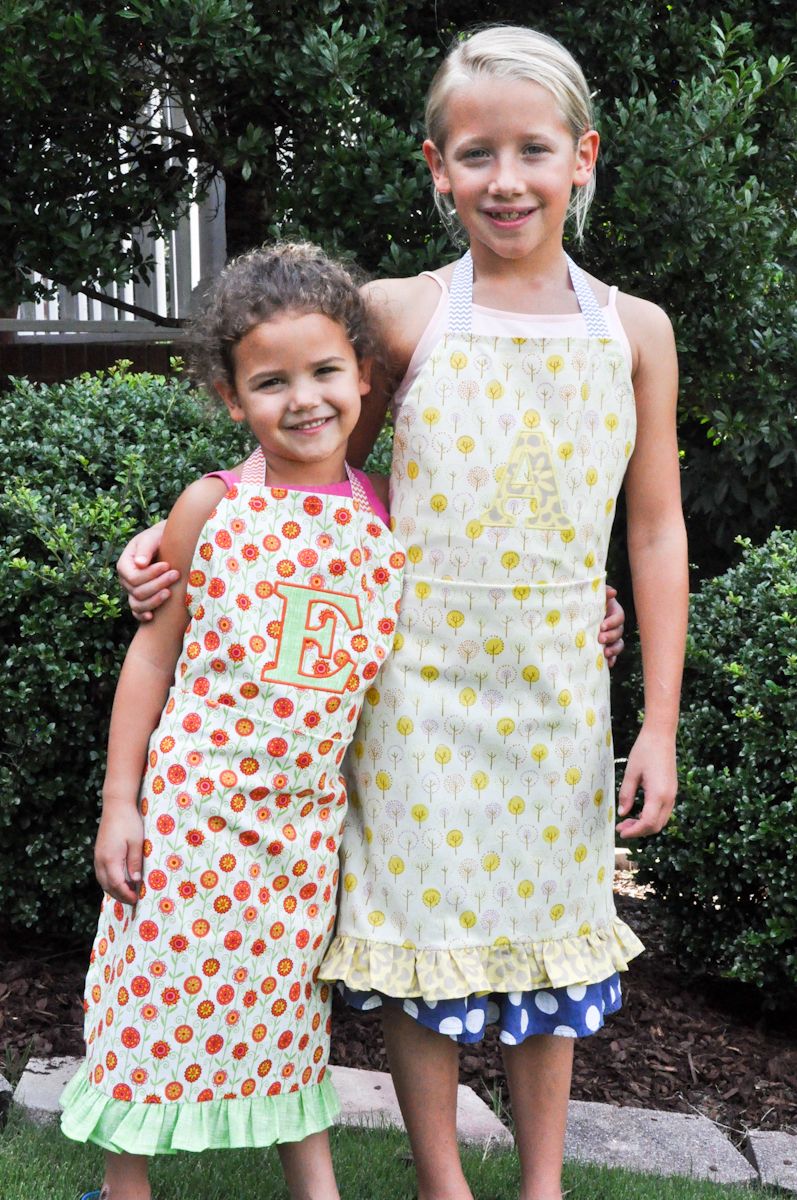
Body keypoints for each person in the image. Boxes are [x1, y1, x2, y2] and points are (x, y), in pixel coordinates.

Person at [116, 25, 687, 1200]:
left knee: (548, 945)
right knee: (417, 946)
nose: (505, 179)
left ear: (580, 157)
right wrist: (171, 545)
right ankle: (441, 1183)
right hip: (409, 692)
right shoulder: (402, 314)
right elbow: (308, 482)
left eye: (532, 150)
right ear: (437, 168)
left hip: (555, 695)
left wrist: (658, 720)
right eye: (475, 154)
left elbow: (654, 529)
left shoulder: (633, 332)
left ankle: (540, 1186)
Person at [61, 242, 405, 1200]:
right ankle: (123, 1185)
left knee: (288, 1015)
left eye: (326, 371)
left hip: (300, 832)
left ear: (362, 376)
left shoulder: (381, 509)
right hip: (190, 817)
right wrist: (118, 804)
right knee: (155, 1001)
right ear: (231, 398)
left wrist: (592, 612)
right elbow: (152, 656)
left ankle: (314, 1187)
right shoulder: (212, 505)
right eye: (271, 381)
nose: (305, 398)